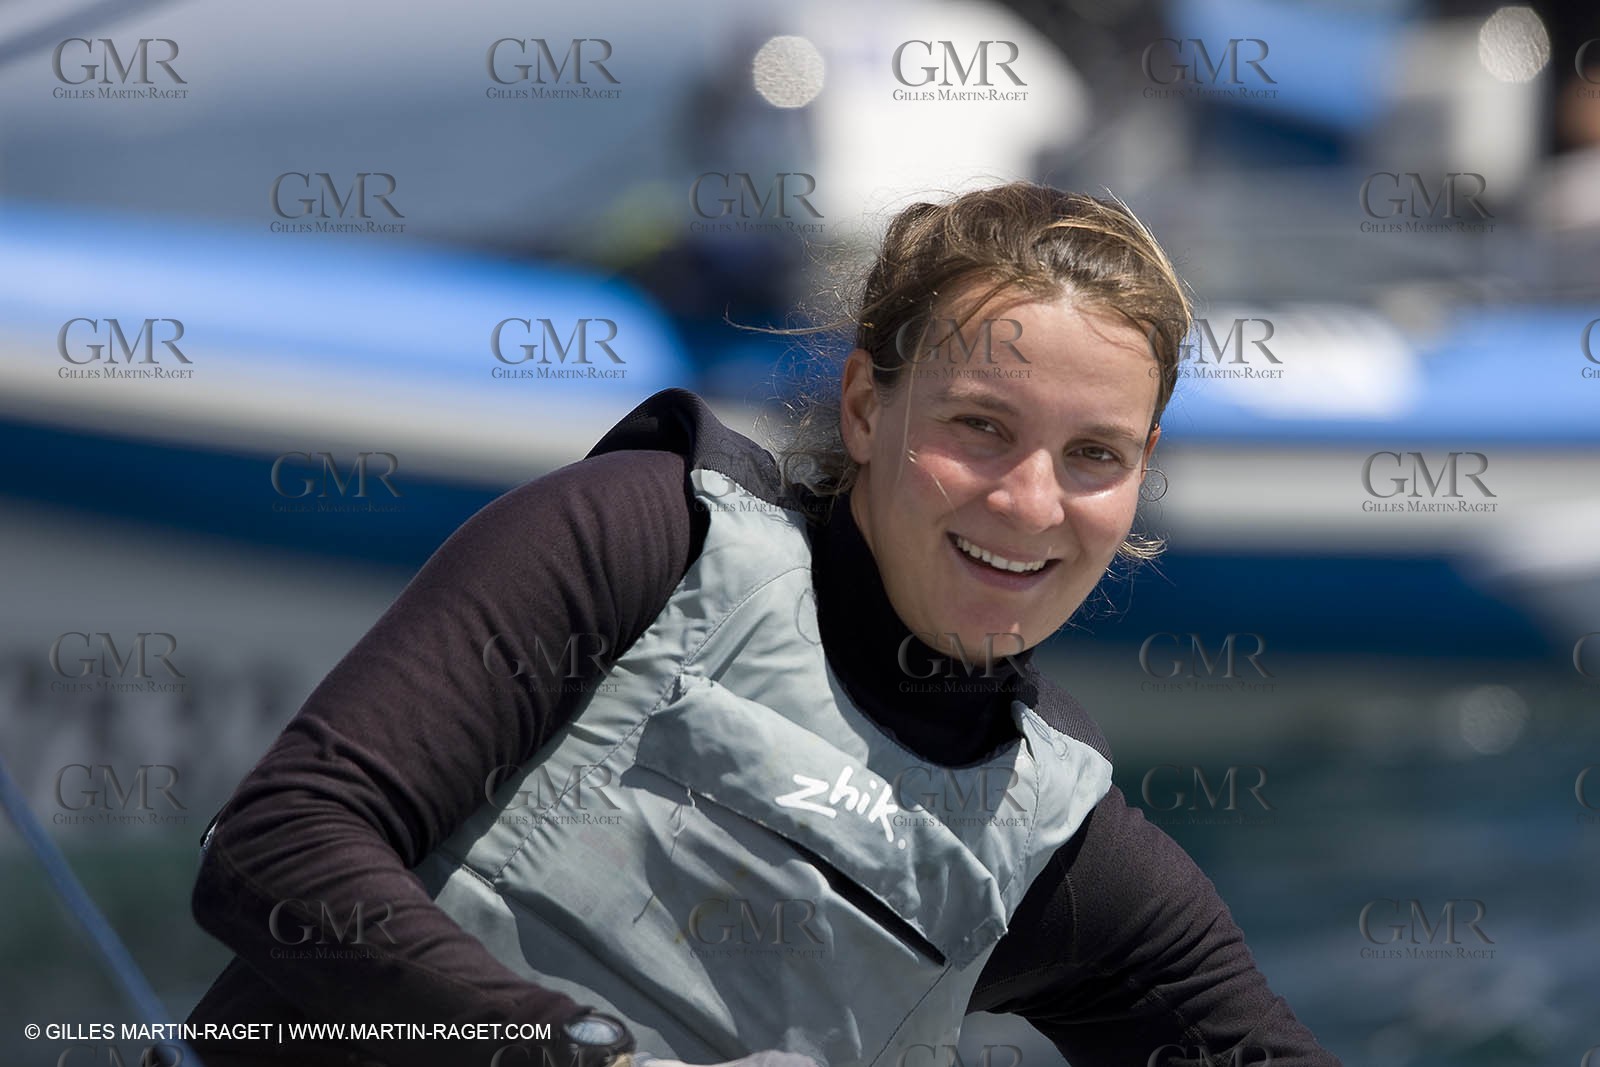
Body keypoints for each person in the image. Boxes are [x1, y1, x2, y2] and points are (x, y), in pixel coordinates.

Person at [186, 182, 1341, 1067]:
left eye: (1093, 455)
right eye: (980, 426)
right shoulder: (644, 535)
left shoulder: (1065, 853)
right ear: (863, 405)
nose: (1029, 503)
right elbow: (278, 847)